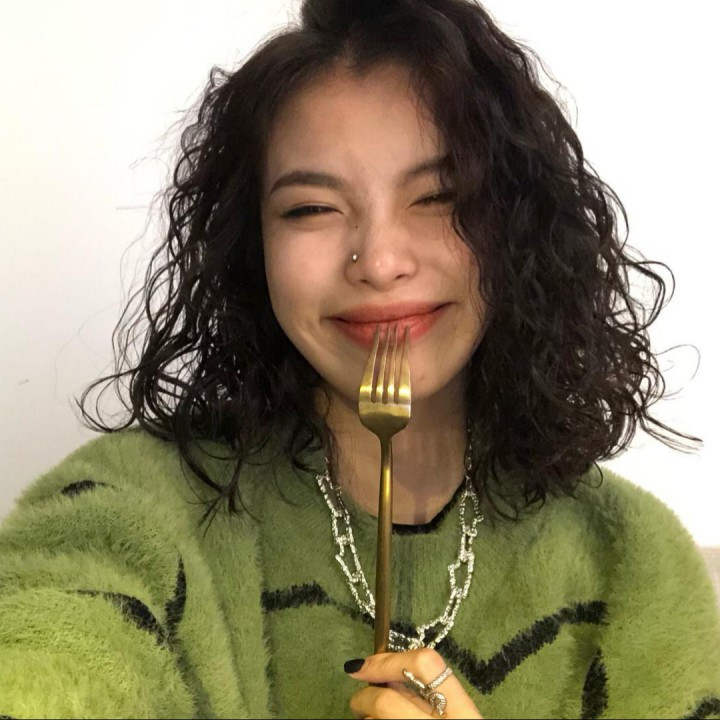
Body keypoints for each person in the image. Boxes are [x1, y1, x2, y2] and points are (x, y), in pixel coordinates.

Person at [1, 0, 719, 717]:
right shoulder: (135, 505)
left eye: (439, 196)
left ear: (519, 226)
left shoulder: (631, 559)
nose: (377, 261)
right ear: (253, 246)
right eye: (312, 209)